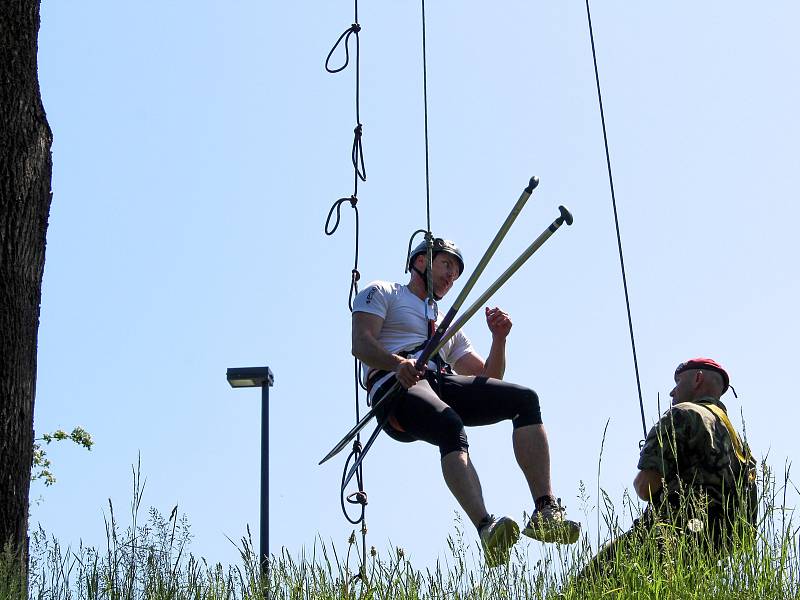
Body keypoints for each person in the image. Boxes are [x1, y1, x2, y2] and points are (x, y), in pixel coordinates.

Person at [351, 237, 580, 567]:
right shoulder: (383, 292)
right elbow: (361, 343)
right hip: (396, 388)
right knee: (449, 425)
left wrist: (499, 339)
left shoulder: (446, 325)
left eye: (456, 273)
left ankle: (545, 510)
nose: (450, 277)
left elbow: (489, 377)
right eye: (446, 265)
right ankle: (486, 528)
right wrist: (396, 364)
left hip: (438, 381)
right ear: (420, 262)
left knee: (524, 400)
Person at [577, 357, 757, 581]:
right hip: (717, 545)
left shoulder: (684, 413)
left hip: (671, 532)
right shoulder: (738, 440)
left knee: (588, 582)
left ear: (698, 379)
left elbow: (645, 487)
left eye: (678, 381)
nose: (672, 392)